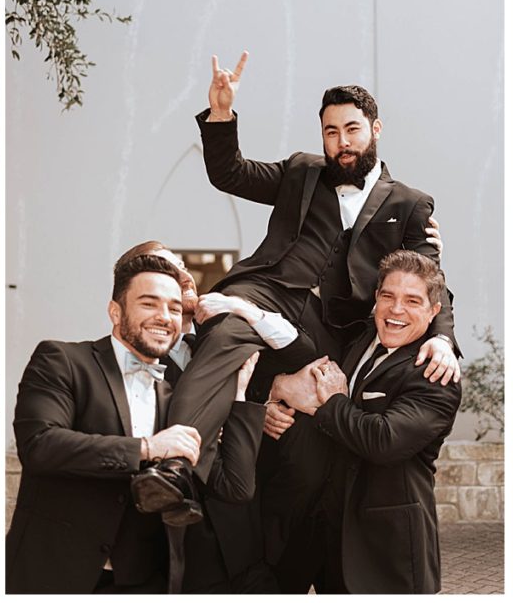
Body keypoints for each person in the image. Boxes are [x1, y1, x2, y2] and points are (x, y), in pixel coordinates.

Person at [159, 53, 460, 521]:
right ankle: (174, 463)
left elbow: (432, 282)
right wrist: (221, 114)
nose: (342, 143)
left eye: (352, 129)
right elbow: (230, 173)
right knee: (223, 333)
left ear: (375, 130)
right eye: (331, 132)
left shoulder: (411, 203)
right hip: (273, 288)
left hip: (337, 328)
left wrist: (442, 337)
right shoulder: (301, 171)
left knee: (307, 437)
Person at [6, 247, 268, 594]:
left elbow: (233, 485)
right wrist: (146, 448)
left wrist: (237, 398)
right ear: (115, 312)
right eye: (149, 303)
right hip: (55, 573)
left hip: (144, 582)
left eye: (174, 308)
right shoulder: (63, 360)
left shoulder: (178, 397)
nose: (164, 316)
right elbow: (40, 446)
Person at [270, 250, 460, 593]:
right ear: (376, 298)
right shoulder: (360, 339)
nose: (396, 310)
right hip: (324, 539)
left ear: (434, 311)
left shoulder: (435, 375)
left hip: (385, 553)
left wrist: (328, 404)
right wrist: (276, 395)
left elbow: (383, 441)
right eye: (388, 296)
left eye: (413, 301)